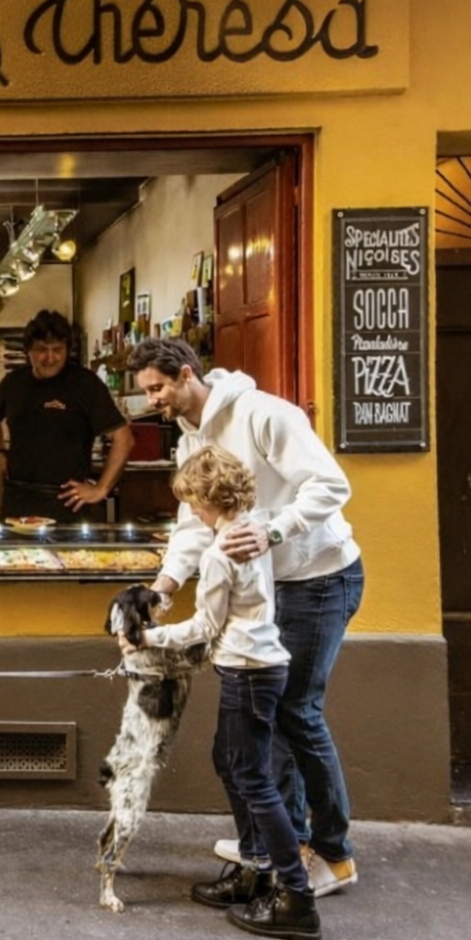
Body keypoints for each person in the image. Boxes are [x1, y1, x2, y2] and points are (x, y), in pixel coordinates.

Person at [127, 337, 364, 898]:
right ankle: (280, 842)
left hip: (320, 579)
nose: (152, 401)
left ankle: (333, 853)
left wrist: (272, 530)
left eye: (157, 388)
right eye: (147, 392)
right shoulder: (189, 443)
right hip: (272, 587)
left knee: (296, 715)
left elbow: (333, 484)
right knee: (267, 724)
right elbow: (193, 525)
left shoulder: (264, 414)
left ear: (186, 375)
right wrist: (159, 590)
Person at [122, 445, 319, 940]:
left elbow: (204, 627)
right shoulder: (251, 536)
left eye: (192, 501)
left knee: (253, 777)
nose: (190, 509)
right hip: (261, 666)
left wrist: (145, 638)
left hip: (247, 671)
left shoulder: (217, 554)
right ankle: (254, 871)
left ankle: (295, 896)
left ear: (206, 500)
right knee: (231, 762)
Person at [0, 309, 134, 523]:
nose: (50, 357)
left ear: (67, 350)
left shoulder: (85, 384)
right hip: (18, 497)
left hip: (67, 501)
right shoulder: (13, 383)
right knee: (14, 557)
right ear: (28, 351)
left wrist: (100, 489)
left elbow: (123, 438)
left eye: (57, 350)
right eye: (42, 349)